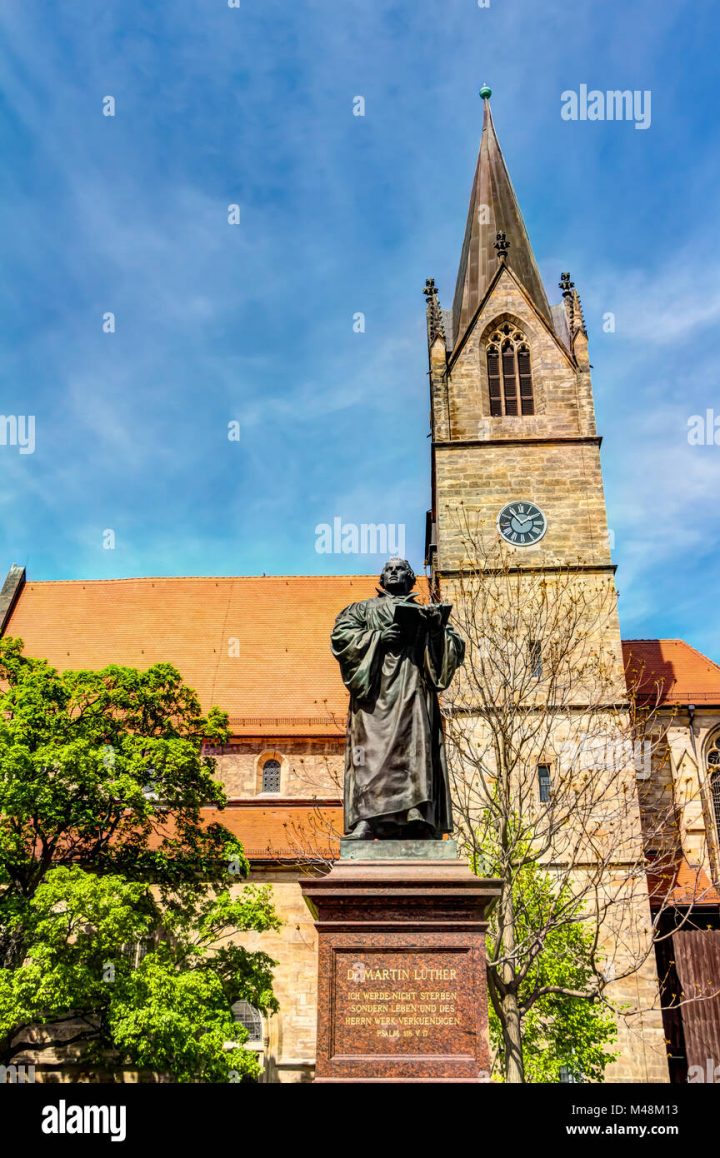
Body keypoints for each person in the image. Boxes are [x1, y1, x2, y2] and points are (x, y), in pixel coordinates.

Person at [330, 557, 465, 839]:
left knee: (415, 752)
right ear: (381, 579)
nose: (393, 572)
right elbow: (341, 638)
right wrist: (378, 638)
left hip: (414, 692)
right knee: (370, 755)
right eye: (388, 569)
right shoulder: (361, 610)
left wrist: (437, 629)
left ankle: (417, 817)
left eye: (399, 568)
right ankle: (367, 820)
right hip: (374, 700)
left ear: (411, 577)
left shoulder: (424, 612)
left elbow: (453, 650)